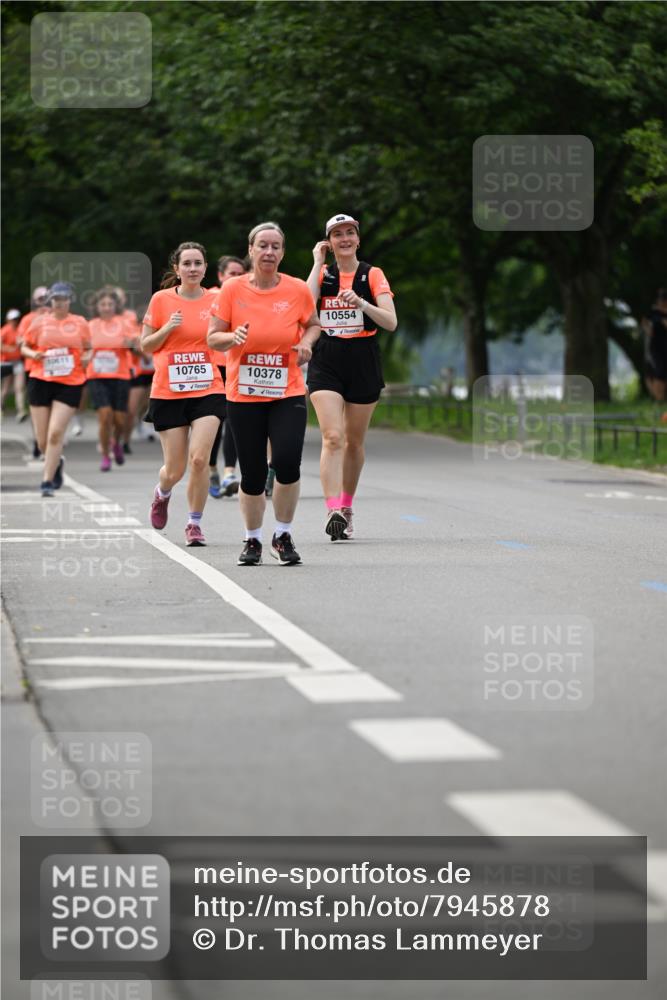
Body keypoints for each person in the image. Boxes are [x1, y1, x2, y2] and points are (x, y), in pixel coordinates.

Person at [208, 221, 320, 566]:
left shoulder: (298, 289)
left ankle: (282, 535)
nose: (269, 252)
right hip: (243, 393)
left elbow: (313, 324)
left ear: (282, 253)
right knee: (253, 473)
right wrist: (232, 338)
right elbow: (213, 337)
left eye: (275, 246)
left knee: (287, 462)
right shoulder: (232, 290)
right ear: (251, 249)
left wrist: (305, 342)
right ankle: (252, 539)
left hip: (286, 390)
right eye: (263, 245)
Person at [306, 213, 397, 540]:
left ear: (358, 239)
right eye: (336, 235)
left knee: (354, 442)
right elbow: (303, 306)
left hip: (362, 358)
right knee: (333, 437)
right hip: (327, 358)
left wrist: (361, 303)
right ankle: (331, 508)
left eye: (349, 233)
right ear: (328, 242)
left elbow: (390, 322)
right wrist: (317, 263)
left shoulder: (372, 274)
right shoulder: (325, 274)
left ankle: (346, 506)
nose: (343, 239)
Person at [140, 241, 225, 546]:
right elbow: (146, 345)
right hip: (169, 390)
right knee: (174, 469)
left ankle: (194, 523)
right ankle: (162, 493)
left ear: (205, 268)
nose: (192, 269)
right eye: (186, 263)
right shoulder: (162, 300)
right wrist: (168, 329)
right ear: (176, 269)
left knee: (200, 459)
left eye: (198, 263)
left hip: (209, 388)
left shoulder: (217, 298)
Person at [20, 282, 92, 496]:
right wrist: (33, 355)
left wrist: (87, 357)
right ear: (50, 301)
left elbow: (88, 348)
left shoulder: (80, 323)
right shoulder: (39, 323)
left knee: (55, 434)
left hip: (70, 382)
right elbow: (24, 346)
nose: (60, 303)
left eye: (64, 299)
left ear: (70, 300)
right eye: (56, 299)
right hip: (41, 379)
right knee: (42, 441)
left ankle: (47, 481)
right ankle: (56, 460)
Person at [87, 287, 139, 471]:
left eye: (110, 304)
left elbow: (138, 342)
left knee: (119, 419)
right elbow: (83, 347)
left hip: (120, 375)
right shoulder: (91, 325)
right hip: (97, 376)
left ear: (115, 306)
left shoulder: (124, 323)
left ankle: (116, 442)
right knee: (104, 415)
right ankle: (105, 454)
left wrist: (132, 343)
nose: (107, 307)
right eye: (103, 304)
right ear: (97, 307)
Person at [208, 254, 246, 498]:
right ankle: (212, 469)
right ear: (221, 276)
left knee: (233, 420)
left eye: (241, 274)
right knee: (213, 422)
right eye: (232, 273)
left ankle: (230, 472)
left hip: (238, 366)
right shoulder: (209, 296)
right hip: (212, 368)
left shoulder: (247, 296)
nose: (237, 278)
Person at [17, 286, 50, 455]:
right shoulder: (28, 319)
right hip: (34, 369)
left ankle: (50, 438)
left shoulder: (58, 318)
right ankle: (39, 439)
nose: (43, 301)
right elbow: (20, 341)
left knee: (53, 407)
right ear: (34, 301)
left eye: (46, 298)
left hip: (56, 371)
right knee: (36, 406)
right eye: (40, 299)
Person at [0, 309, 28, 420]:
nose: (14, 321)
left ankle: (21, 411)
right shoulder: (4, 331)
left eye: (16, 319)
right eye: (13, 319)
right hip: (6, 362)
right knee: (6, 388)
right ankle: (1, 407)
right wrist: (10, 349)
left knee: (19, 388)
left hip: (17, 362)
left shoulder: (20, 331)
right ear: (8, 320)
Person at [643, 288, 667, 406]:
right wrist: (648, 330)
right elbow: (644, 321)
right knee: (659, 371)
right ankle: (659, 400)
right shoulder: (654, 312)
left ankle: (661, 399)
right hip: (656, 347)